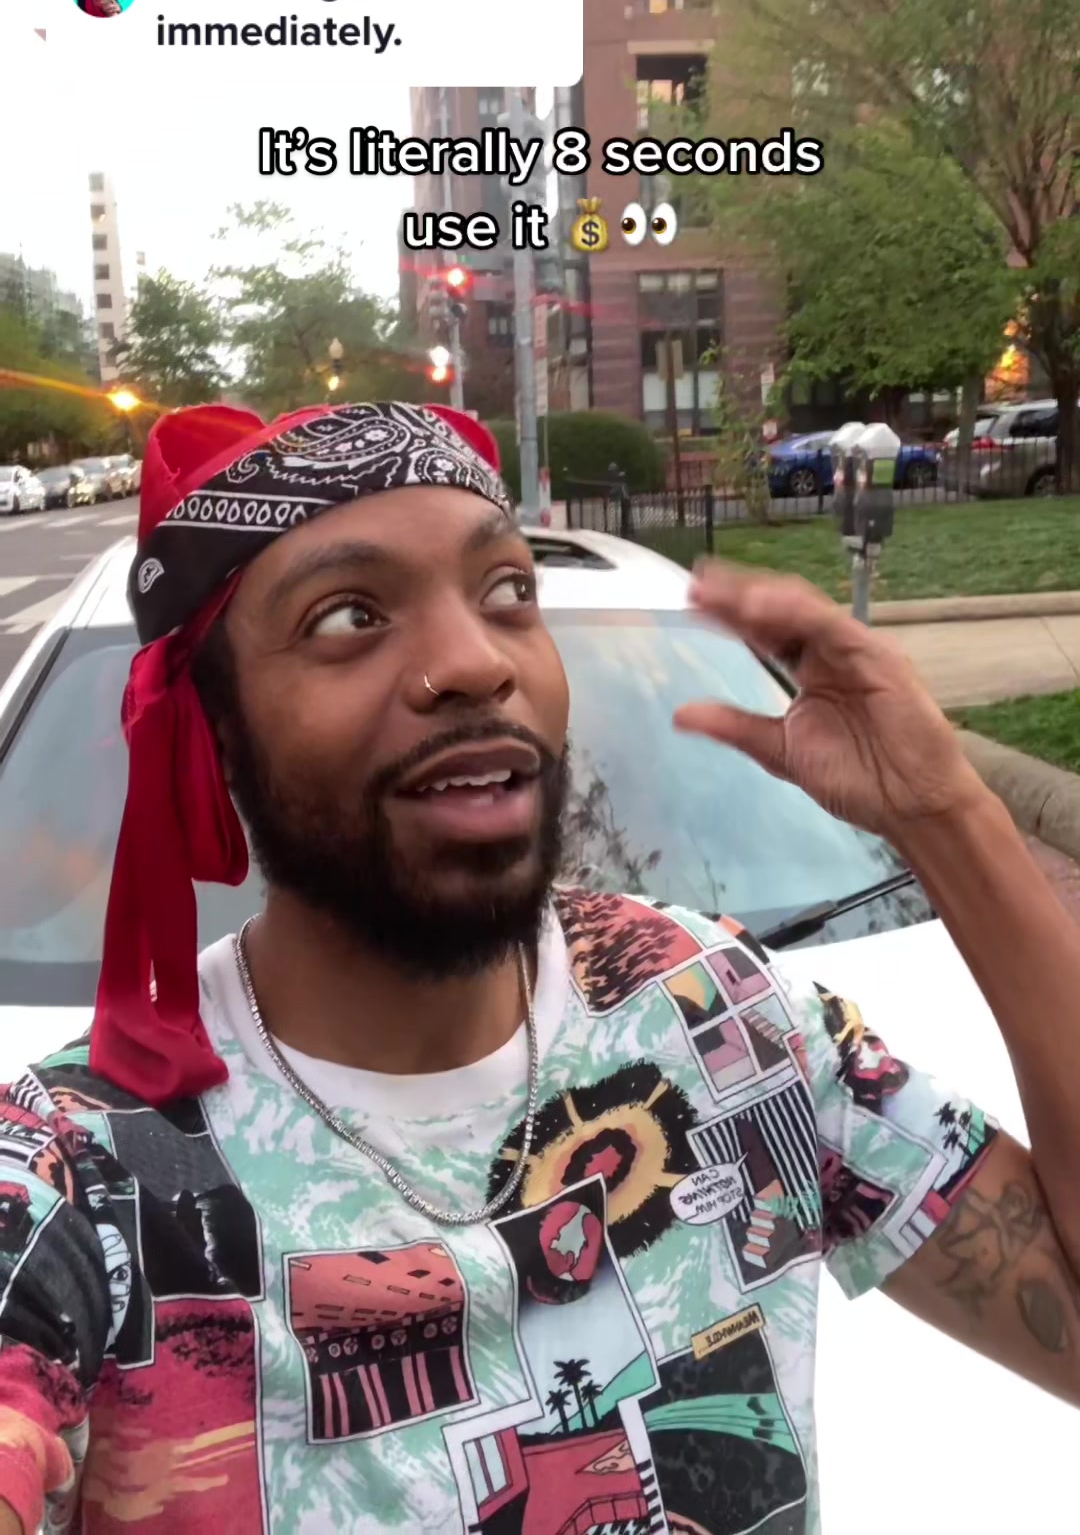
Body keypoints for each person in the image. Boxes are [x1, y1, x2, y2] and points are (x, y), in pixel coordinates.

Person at [0, 398, 1076, 1535]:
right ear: (210, 732)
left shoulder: (721, 1013)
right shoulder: (79, 1174)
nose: (474, 661)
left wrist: (949, 815)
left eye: (508, 592)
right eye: (350, 615)